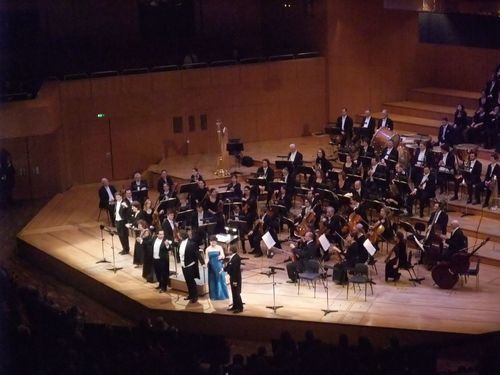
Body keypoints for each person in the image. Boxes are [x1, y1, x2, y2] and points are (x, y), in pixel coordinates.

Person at [179, 229, 204, 303]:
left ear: (181, 235)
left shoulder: (191, 243)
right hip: (183, 265)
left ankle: (195, 296)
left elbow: (197, 253)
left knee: (191, 281)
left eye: (179, 235)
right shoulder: (181, 242)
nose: (178, 236)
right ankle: (190, 295)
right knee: (187, 281)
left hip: (190, 265)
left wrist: (203, 263)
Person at [205, 235, 229, 300]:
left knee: (220, 279)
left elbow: (223, 256)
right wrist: (205, 263)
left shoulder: (219, 247)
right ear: (210, 242)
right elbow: (207, 258)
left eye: (214, 242)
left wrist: (220, 257)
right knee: (212, 280)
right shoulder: (207, 249)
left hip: (218, 265)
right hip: (211, 266)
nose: (213, 243)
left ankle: (221, 295)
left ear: (216, 242)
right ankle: (214, 296)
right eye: (212, 242)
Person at [224, 245, 243, 313]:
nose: (228, 251)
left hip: (235, 279)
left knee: (237, 293)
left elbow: (235, 270)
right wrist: (224, 269)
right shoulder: (233, 257)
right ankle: (235, 306)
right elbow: (229, 265)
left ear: (231, 251)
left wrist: (235, 281)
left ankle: (240, 308)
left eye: (229, 250)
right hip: (233, 278)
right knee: (233, 293)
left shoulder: (236, 258)